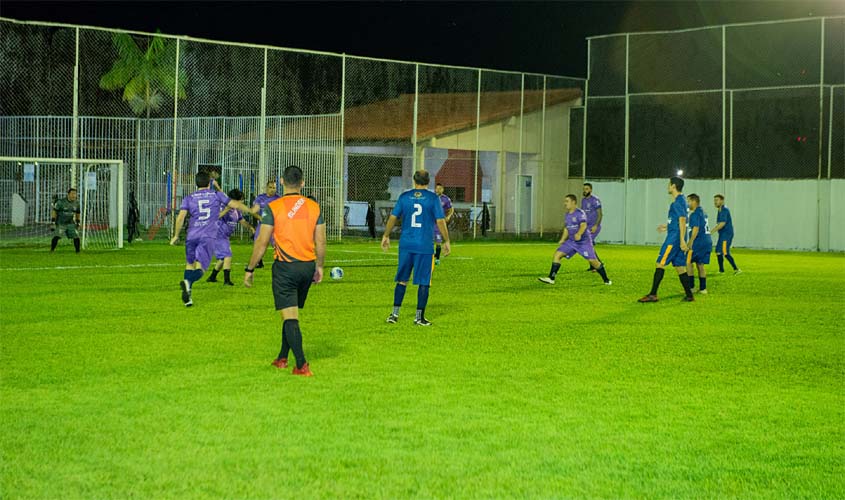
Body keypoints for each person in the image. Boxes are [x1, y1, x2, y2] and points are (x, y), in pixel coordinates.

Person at [244, 166, 325, 377]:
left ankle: (301, 365)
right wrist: (319, 266)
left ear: (281, 181)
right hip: (307, 266)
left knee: (290, 317)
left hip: (285, 267)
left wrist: (250, 268)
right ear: (302, 183)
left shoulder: (274, 207)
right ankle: (282, 358)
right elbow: (321, 241)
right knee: (290, 312)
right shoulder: (314, 207)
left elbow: (262, 242)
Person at [170, 172, 259, 307]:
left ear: (196, 183)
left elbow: (180, 217)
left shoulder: (189, 198)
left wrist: (176, 235)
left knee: (190, 264)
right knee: (201, 268)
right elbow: (235, 204)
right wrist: (250, 210)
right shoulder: (216, 195)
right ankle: (188, 283)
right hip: (207, 235)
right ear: (209, 183)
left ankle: (188, 297)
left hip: (192, 235)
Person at [382, 170, 450, 326]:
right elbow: (440, 221)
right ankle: (419, 318)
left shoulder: (404, 197)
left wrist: (386, 235)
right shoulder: (433, 198)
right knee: (424, 281)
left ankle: (394, 314)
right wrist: (446, 240)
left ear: (414, 180)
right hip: (424, 245)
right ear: (428, 181)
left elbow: (393, 217)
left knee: (402, 280)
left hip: (406, 244)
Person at [638, 176, 695, 303]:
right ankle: (689, 295)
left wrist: (681, 240)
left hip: (674, 239)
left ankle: (653, 294)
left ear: (674, 186)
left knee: (660, 263)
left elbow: (682, 220)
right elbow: (679, 220)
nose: (667, 187)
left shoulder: (678, 202)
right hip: (676, 236)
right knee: (680, 267)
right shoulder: (682, 200)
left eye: (669, 184)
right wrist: (668, 226)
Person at [538, 194, 611, 285]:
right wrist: (563, 239)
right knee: (557, 255)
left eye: (567, 201)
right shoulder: (567, 215)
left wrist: (579, 234)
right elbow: (566, 228)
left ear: (573, 202)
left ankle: (606, 280)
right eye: (565, 201)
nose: (565, 203)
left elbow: (583, 225)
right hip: (572, 242)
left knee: (593, 261)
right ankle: (551, 278)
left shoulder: (580, 213)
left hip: (583, 242)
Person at [206, 188, 255, 286]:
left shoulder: (236, 210)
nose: (242, 202)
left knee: (222, 258)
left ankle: (212, 277)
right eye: (241, 200)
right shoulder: (223, 206)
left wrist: (251, 228)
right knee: (227, 255)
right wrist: (227, 209)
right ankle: (227, 281)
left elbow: (242, 221)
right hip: (217, 235)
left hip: (224, 236)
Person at [685, 193, 712, 294]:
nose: (687, 204)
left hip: (698, 241)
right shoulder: (703, 212)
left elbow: (695, 229)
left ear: (694, 201)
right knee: (700, 264)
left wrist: (690, 242)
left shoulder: (695, 214)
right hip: (706, 241)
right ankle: (703, 288)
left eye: (688, 201)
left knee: (688, 262)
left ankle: (691, 287)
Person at [250, 180, 280, 269]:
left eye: (274, 188)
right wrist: (259, 218)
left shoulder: (278, 199)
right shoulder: (260, 198)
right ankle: (259, 262)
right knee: (257, 241)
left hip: (274, 226)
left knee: (276, 244)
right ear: (266, 188)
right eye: (270, 187)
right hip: (262, 225)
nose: (272, 189)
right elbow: (253, 211)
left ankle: (280, 261)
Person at [711, 194, 741, 275]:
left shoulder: (725, 210)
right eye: (714, 200)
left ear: (722, 201)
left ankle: (737, 269)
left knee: (725, 252)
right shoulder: (720, 210)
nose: (715, 202)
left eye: (717, 200)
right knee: (718, 251)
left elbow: (722, 224)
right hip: (722, 234)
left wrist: (711, 232)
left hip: (726, 234)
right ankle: (721, 270)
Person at [50, 188, 81, 253]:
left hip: (70, 223)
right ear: (68, 194)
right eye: (72, 194)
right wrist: (53, 222)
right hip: (61, 223)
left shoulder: (77, 203)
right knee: (57, 236)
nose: (74, 195)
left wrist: (78, 223)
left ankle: (78, 252)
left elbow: (78, 213)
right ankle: (52, 250)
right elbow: (54, 211)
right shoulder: (61, 202)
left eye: (75, 194)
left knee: (76, 236)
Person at [581, 183, 604, 271]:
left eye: (587, 189)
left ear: (591, 190)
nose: (585, 191)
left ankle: (598, 264)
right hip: (586, 227)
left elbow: (600, 214)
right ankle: (593, 265)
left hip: (593, 227)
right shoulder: (583, 200)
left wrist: (596, 226)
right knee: (588, 246)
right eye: (584, 189)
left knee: (587, 244)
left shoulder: (595, 200)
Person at [433, 182, 454, 265]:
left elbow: (451, 209)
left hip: (439, 223)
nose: (438, 190)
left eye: (440, 188)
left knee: (438, 241)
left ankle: (437, 259)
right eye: (437, 188)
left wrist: (448, 216)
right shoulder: (431, 197)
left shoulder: (446, 199)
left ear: (443, 189)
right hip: (430, 222)